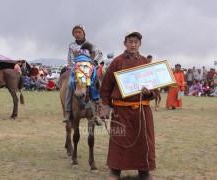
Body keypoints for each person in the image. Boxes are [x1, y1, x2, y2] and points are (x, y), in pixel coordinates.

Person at [99, 30, 156, 180]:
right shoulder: (116, 62)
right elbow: (105, 88)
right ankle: (115, 171)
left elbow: (154, 89)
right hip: (121, 110)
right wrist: (104, 109)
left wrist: (149, 93)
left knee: (144, 141)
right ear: (125, 43)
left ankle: (144, 171)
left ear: (140, 44)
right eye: (130, 41)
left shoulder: (146, 63)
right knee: (119, 140)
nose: (133, 44)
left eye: (136, 42)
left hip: (142, 110)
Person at [63, 24, 103, 123]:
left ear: (84, 33)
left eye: (79, 32)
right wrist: (77, 68)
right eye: (75, 33)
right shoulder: (72, 46)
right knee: (69, 85)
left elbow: (100, 54)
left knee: (98, 84)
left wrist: (95, 63)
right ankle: (68, 111)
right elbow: (70, 60)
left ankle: (98, 113)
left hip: (89, 70)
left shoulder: (90, 44)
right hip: (77, 70)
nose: (77, 34)